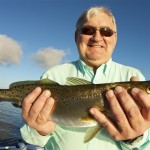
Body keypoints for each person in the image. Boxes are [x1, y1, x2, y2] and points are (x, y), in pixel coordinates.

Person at [20, 6, 150, 150]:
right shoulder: (53, 75)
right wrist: (40, 130)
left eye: (106, 32)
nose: (97, 37)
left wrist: (135, 137)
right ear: (76, 36)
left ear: (115, 38)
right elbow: (31, 139)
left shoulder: (135, 76)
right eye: (88, 30)